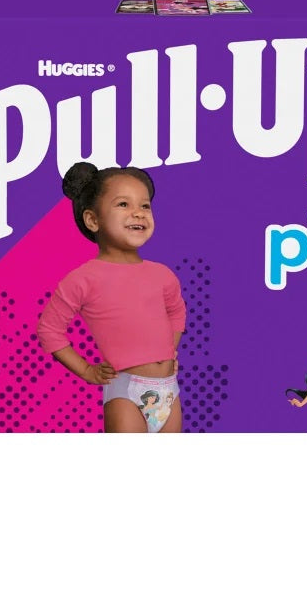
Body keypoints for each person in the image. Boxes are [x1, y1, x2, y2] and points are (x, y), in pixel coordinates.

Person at [37, 162, 186, 433]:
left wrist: (169, 350)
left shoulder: (163, 274)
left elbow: (176, 313)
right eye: (123, 204)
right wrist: (86, 370)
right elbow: (49, 330)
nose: (138, 213)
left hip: (169, 390)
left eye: (145, 206)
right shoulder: (83, 279)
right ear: (93, 220)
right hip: (127, 392)